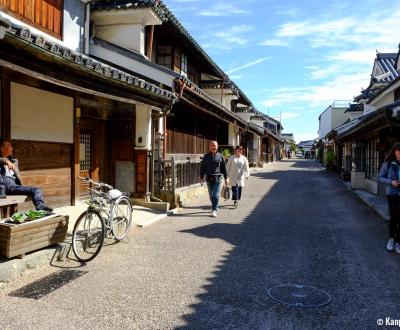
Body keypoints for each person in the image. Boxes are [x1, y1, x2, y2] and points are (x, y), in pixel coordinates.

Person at [0, 139, 53, 211]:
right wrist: (6, 161)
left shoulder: (14, 160)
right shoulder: (3, 160)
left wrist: (21, 186)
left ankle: (40, 206)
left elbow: (17, 177)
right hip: (2, 184)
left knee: (37, 190)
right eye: (8, 146)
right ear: (2, 149)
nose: (11, 148)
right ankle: (1, 190)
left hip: (13, 186)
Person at [378, 142, 400, 253]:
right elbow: (380, 177)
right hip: (392, 193)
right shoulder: (388, 163)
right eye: (399, 152)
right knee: (394, 217)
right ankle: (391, 239)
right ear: (395, 151)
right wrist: (391, 182)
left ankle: (398, 242)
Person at [200, 141, 228, 218]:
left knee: (215, 195)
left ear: (217, 147)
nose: (213, 147)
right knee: (211, 196)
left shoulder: (220, 156)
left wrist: (226, 178)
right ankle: (214, 205)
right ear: (209, 147)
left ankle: (214, 210)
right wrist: (201, 177)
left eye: (215, 146)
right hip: (208, 178)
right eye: (212, 145)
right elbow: (202, 167)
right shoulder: (206, 156)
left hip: (218, 178)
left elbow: (224, 168)